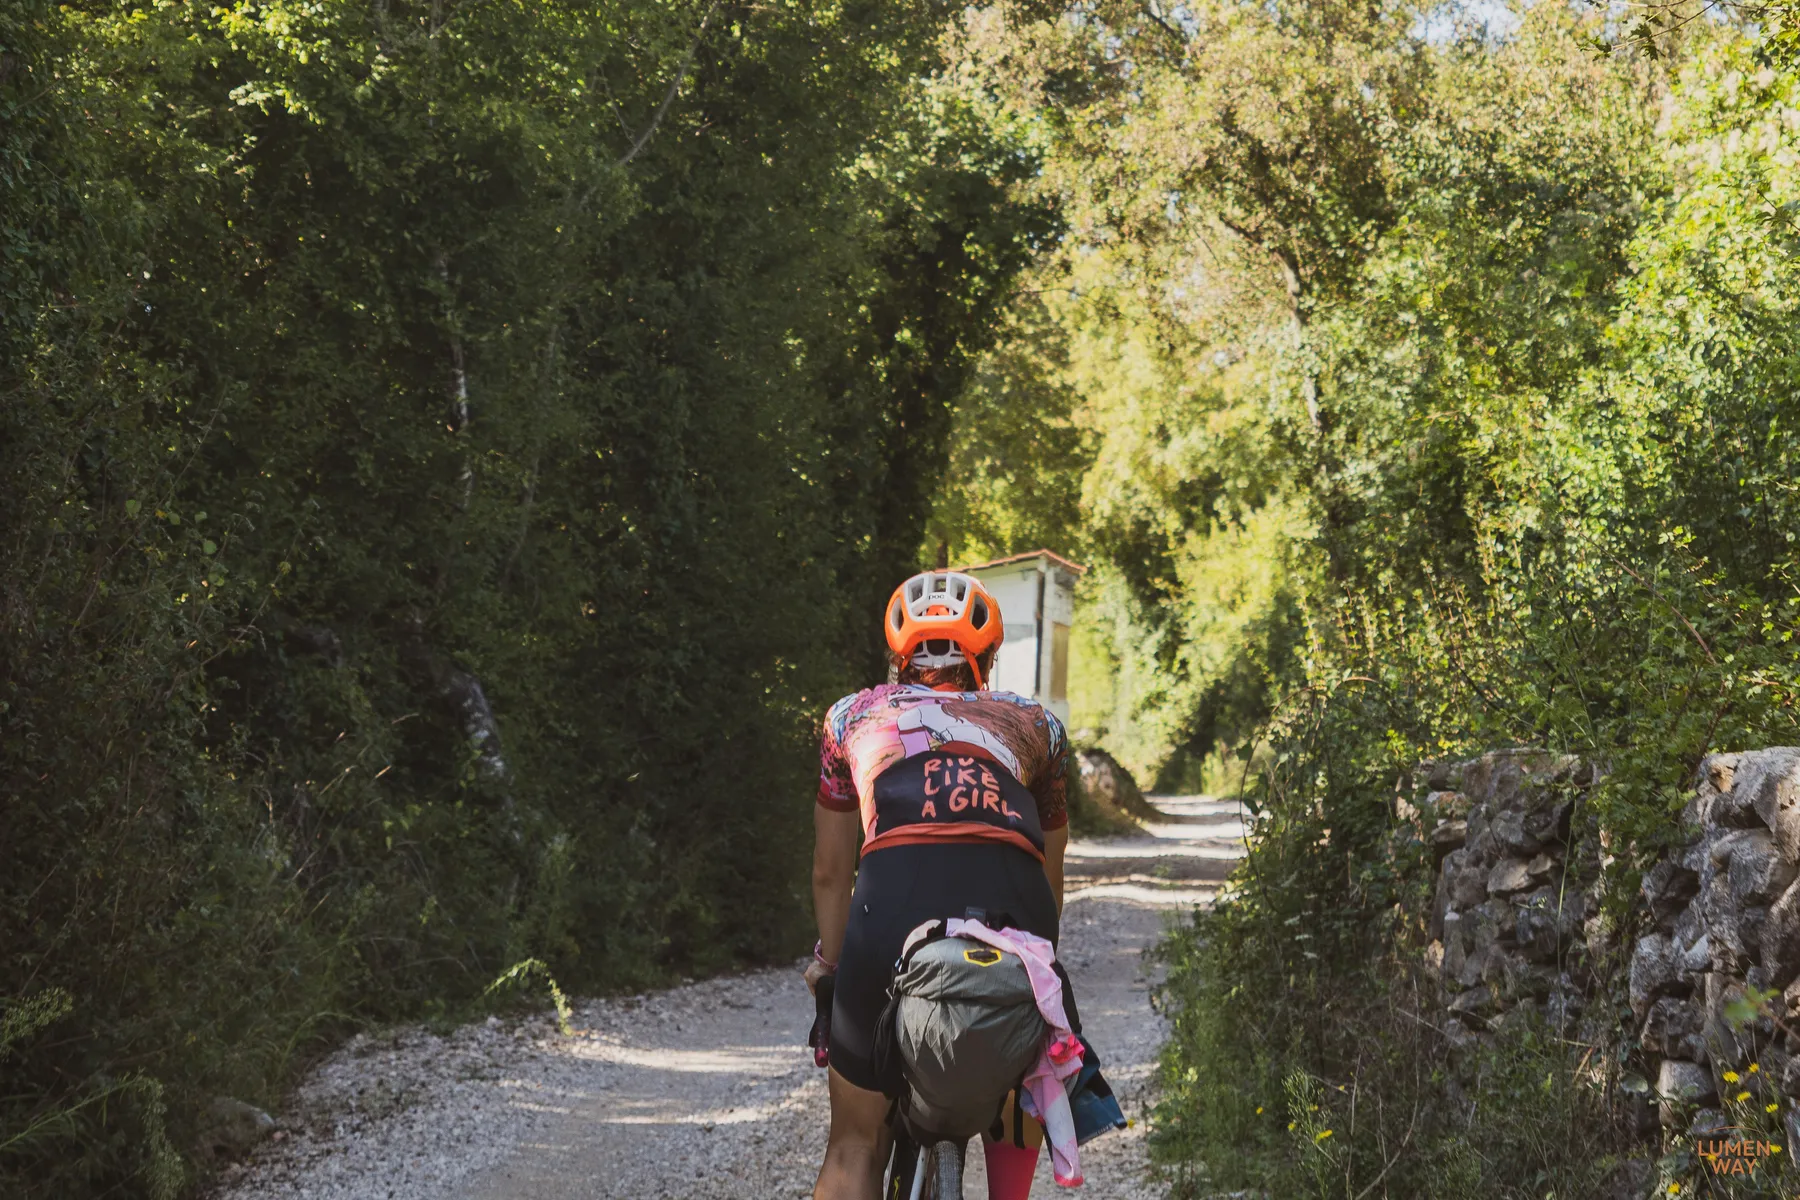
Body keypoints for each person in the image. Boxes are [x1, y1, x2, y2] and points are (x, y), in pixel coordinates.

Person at [806, 570, 1070, 1200]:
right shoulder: (1037, 723)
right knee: (1030, 1051)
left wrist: (832, 968)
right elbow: (1050, 863)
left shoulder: (849, 718)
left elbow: (830, 870)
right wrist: (1046, 968)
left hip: (891, 899)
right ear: (989, 657)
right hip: (1013, 899)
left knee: (851, 1147)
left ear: (899, 656)